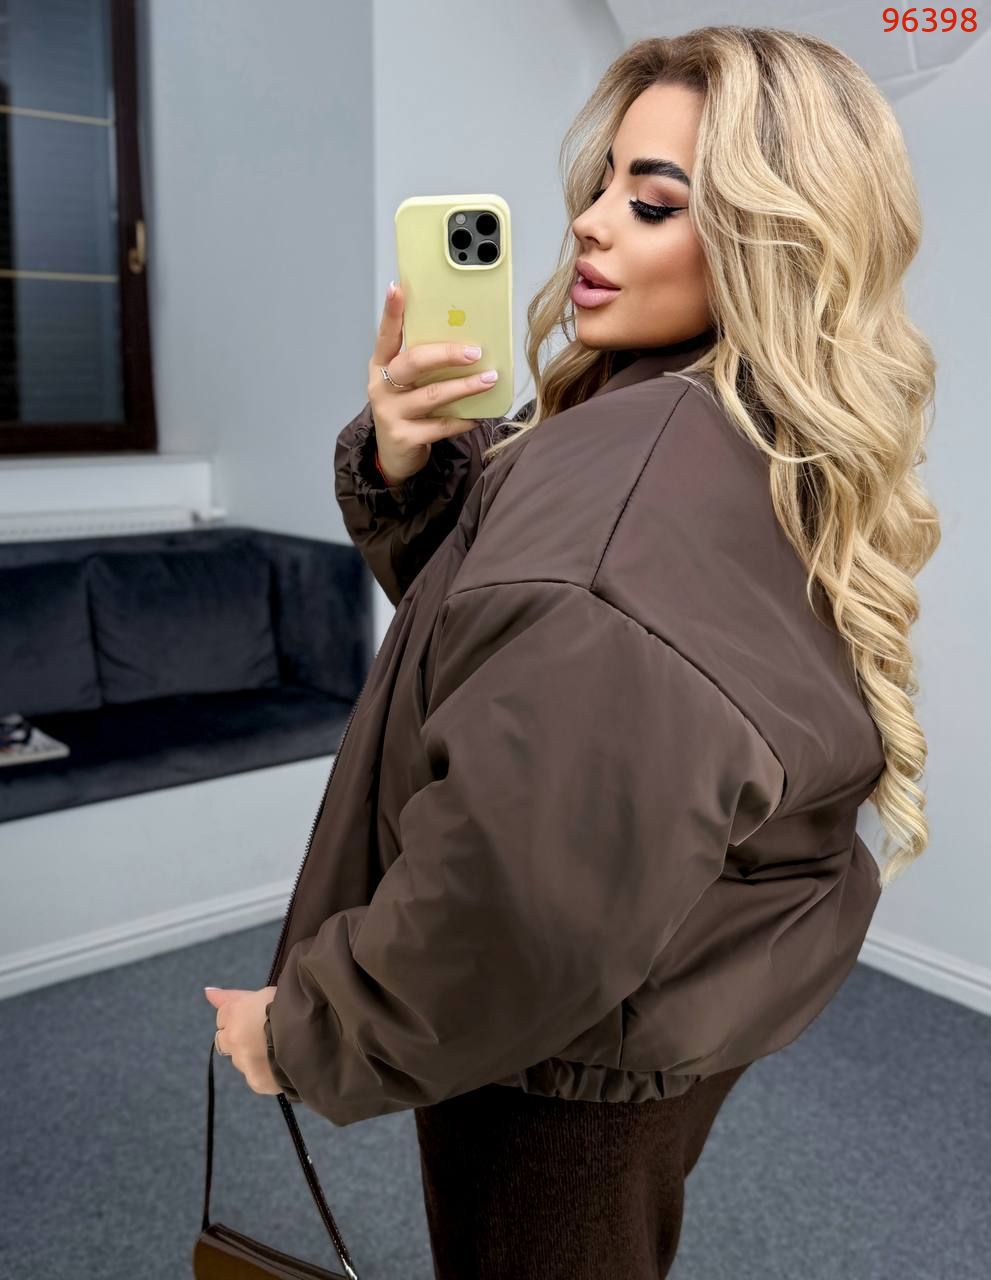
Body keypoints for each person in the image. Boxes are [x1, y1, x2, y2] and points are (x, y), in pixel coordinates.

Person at [212, 25, 940, 1279]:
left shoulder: (631, 489)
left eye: (652, 201)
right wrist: (405, 464)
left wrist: (303, 1028)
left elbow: (517, 899)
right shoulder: (731, 417)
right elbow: (517, 641)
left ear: (776, 239)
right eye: (603, 184)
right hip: (656, 1001)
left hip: (559, 1059)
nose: (592, 224)